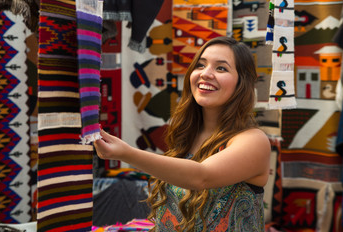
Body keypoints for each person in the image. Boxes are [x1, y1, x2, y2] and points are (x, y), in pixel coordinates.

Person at [94, 36, 271, 231]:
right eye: (200, 65)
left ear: (241, 83)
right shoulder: (187, 135)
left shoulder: (254, 141)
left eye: (221, 68)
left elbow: (201, 177)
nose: (206, 74)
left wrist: (126, 153)